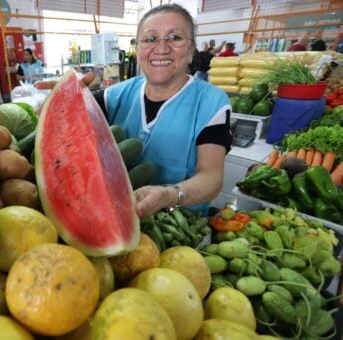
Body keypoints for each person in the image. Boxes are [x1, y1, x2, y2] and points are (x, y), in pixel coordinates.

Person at [37, 4, 232, 218]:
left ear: (192, 50)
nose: (161, 48)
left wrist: (169, 195)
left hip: (180, 227)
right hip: (112, 214)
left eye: (174, 37)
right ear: (138, 49)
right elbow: (67, 128)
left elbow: (212, 178)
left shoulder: (211, 102)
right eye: (150, 39)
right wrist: (58, 101)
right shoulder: (117, 94)